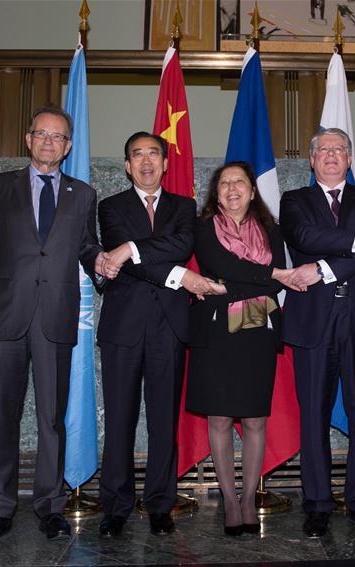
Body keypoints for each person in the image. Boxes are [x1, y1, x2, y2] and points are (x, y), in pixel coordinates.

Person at [0, 105, 110, 544]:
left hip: (54, 318)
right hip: (4, 318)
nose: (49, 142)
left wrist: (101, 263)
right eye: (42, 135)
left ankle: (50, 507)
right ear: (29, 140)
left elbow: (87, 247)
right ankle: (0, 510)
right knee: (3, 417)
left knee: (51, 418)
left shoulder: (83, 194)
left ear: (68, 147)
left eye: (59, 137)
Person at [95, 131, 213, 537]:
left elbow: (180, 244)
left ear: (165, 163)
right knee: (120, 420)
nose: (146, 162)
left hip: (169, 326)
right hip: (122, 328)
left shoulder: (184, 206)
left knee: (164, 420)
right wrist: (179, 275)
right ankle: (116, 506)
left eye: (153, 155)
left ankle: (161, 503)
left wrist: (130, 249)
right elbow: (123, 258)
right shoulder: (110, 206)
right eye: (136, 155)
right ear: (127, 165)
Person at [280, 128, 355, 538]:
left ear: (350, 158)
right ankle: (317, 504)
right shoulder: (294, 200)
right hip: (313, 319)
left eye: (339, 149)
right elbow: (307, 237)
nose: (331, 155)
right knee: (313, 414)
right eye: (323, 149)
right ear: (312, 160)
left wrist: (325, 268)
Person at [186, 162, 303, 536]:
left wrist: (225, 285)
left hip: (257, 333)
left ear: (253, 191)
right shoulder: (203, 228)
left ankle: (249, 497)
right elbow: (218, 264)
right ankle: (230, 500)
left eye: (239, 182)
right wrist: (264, 277)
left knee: (255, 419)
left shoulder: (272, 230)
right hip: (217, 335)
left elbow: (265, 282)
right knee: (219, 419)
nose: (232, 188)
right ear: (215, 193)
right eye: (224, 183)